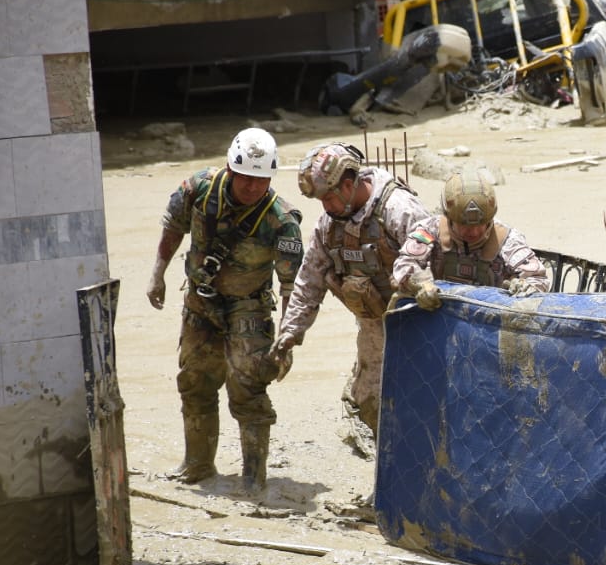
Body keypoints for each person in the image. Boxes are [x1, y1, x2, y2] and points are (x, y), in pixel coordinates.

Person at [145, 127, 303, 492]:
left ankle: (253, 478)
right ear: (230, 170)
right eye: (245, 178)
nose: (251, 187)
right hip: (200, 302)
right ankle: (197, 465)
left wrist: (287, 338)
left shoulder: (281, 220)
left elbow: (292, 286)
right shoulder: (199, 189)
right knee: (194, 381)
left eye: (260, 180)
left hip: (249, 308)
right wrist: (158, 275)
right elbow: (173, 228)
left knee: (248, 388)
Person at [271, 143, 436, 438]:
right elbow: (309, 281)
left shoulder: (399, 210)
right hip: (374, 326)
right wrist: (288, 335)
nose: (325, 206)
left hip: (420, 324)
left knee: (425, 403)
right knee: (370, 404)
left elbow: (438, 265)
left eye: (329, 198)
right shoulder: (329, 225)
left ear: (349, 185)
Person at [391, 168, 549, 307]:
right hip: (438, 315)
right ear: (450, 219)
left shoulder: (508, 240)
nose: (474, 233)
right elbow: (404, 262)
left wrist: (523, 286)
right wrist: (419, 283)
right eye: (465, 226)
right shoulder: (430, 230)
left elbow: (538, 279)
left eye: (481, 225)